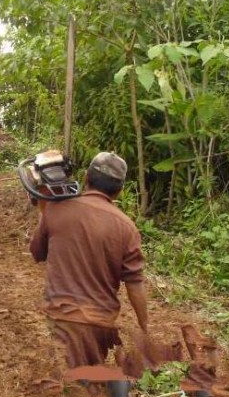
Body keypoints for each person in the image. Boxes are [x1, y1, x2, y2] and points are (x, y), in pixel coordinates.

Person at [30, 151, 148, 370]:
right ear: (119, 190)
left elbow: (37, 252)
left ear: (86, 178)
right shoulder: (127, 227)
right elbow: (135, 284)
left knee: (67, 385)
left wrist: (43, 209)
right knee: (89, 380)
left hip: (61, 318)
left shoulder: (55, 209)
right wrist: (144, 325)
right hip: (100, 324)